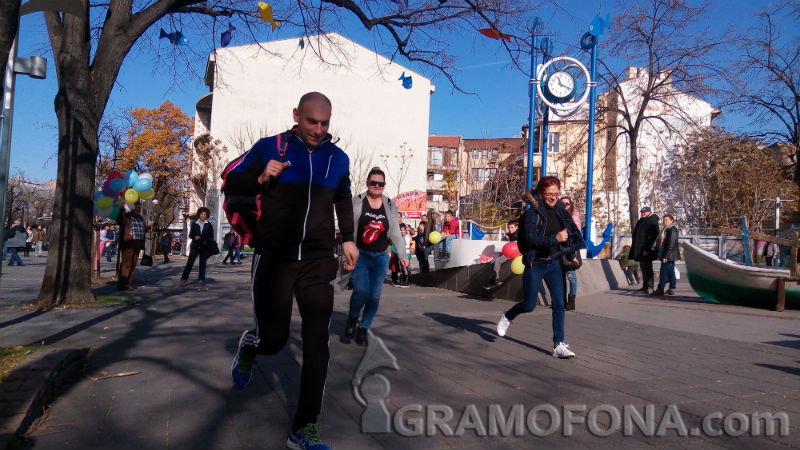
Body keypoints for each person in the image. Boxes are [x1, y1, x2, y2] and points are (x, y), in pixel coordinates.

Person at [225, 92, 358, 450]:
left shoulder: (338, 158)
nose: (317, 129)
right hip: (275, 256)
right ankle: (251, 346)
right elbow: (231, 183)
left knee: (318, 344)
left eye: (324, 123)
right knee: (275, 339)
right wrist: (260, 178)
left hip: (318, 260)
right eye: (311, 121)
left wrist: (348, 238)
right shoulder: (270, 147)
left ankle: (304, 428)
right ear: (297, 115)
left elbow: (344, 197)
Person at [496, 176, 585, 359]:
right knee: (529, 305)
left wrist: (571, 255)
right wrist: (555, 238)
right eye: (549, 194)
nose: (554, 197)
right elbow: (530, 240)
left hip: (554, 263)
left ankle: (558, 344)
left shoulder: (561, 212)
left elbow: (567, 237)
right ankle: (508, 315)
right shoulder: (532, 214)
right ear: (541, 195)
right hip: (535, 263)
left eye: (556, 194)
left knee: (559, 304)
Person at [346, 167, 409, 345]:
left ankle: (364, 328)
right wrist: (347, 256)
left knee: (374, 296)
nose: (376, 186)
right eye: (373, 183)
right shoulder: (357, 202)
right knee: (361, 291)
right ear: (367, 183)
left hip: (381, 256)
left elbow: (395, 232)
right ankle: (352, 318)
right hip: (360, 254)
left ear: (384, 185)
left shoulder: (389, 204)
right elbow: (348, 231)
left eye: (380, 184)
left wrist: (402, 254)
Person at [117, 201, 152, 290]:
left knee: (133, 265)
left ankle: (128, 284)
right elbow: (119, 219)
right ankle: (122, 285)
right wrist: (123, 208)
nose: (139, 209)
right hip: (128, 244)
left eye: (140, 207)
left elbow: (143, 229)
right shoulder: (127, 216)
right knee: (126, 264)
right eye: (137, 207)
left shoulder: (140, 218)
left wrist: (149, 226)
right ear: (132, 207)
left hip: (137, 244)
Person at [180, 207, 214, 287]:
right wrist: (194, 237)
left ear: (207, 215)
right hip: (195, 245)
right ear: (199, 214)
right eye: (202, 214)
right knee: (190, 263)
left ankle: (201, 280)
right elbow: (190, 234)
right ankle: (183, 279)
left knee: (202, 264)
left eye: (205, 214)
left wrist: (206, 240)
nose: (203, 216)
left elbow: (211, 236)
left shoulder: (209, 225)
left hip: (204, 246)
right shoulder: (194, 223)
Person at [629, 206, 660, 294]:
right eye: (642, 212)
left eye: (645, 212)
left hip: (646, 249)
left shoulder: (652, 221)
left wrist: (647, 248)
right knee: (643, 268)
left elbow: (651, 237)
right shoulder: (642, 221)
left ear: (649, 212)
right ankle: (645, 286)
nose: (643, 213)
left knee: (648, 268)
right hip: (640, 249)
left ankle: (650, 286)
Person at [484, 219, 519, 289]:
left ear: (516, 227)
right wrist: (505, 239)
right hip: (507, 251)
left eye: (512, 227)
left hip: (514, 253)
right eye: (508, 227)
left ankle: (495, 280)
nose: (510, 229)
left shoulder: (518, 234)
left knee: (498, 261)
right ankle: (493, 280)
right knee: (493, 260)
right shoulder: (508, 235)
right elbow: (503, 244)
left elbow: (516, 246)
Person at [560, 197, 581, 311]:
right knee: (561, 276)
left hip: (570, 247)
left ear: (570, 204)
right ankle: (561, 301)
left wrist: (572, 255)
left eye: (567, 203)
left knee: (571, 275)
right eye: (562, 203)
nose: (564, 205)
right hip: (559, 247)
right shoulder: (557, 214)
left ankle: (571, 302)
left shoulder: (573, 216)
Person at [652, 214, 680, 296]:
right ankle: (672, 289)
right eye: (664, 220)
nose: (665, 221)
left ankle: (660, 289)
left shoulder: (672, 229)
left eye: (667, 220)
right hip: (667, 254)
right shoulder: (666, 229)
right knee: (671, 272)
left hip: (668, 255)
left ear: (672, 220)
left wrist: (665, 256)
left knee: (663, 272)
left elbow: (671, 244)